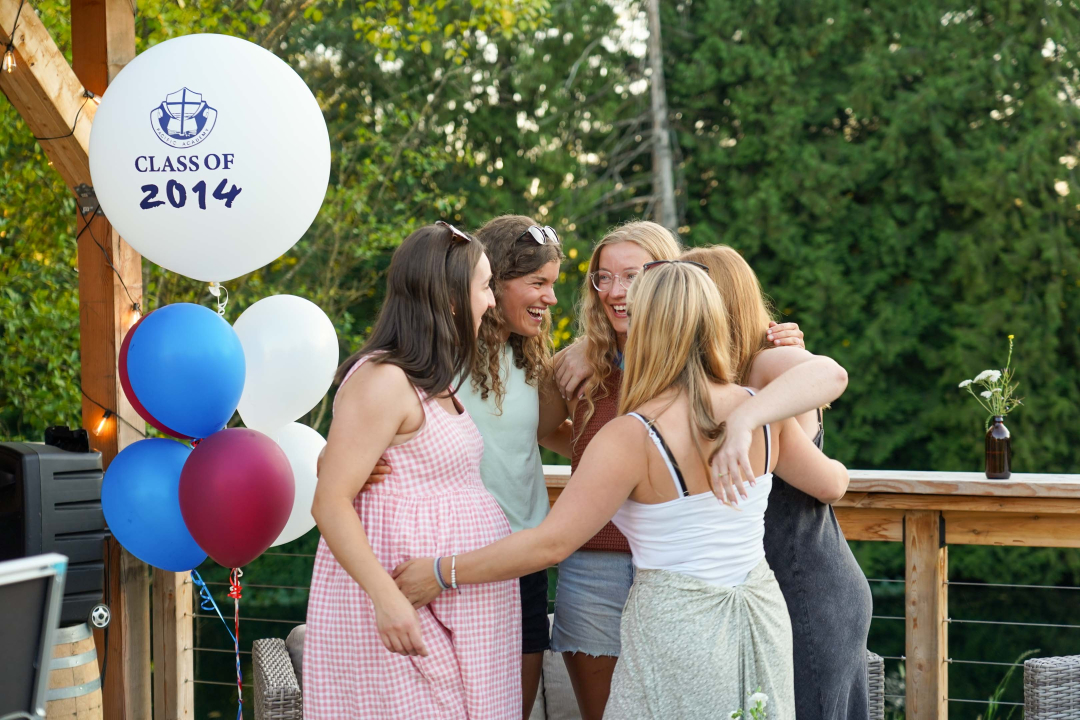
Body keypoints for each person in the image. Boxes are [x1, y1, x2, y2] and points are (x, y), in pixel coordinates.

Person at [392, 261, 850, 719]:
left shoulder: (631, 437)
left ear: (648, 326)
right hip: (761, 614)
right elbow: (835, 481)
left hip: (679, 627)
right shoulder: (762, 414)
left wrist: (441, 572)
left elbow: (550, 543)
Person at [546, 221, 807, 719]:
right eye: (603, 277)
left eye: (632, 275)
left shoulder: (723, 356)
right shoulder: (581, 363)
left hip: (692, 581)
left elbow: (818, 378)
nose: (617, 290)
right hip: (599, 566)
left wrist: (776, 354)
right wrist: (603, 460)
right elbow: (542, 430)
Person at [303, 222, 520, 720]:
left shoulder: (435, 380)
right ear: (447, 298)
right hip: (403, 607)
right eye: (485, 286)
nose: (491, 302)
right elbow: (330, 501)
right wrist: (389, 600)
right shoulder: (383, 379)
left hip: (456, 610)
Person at [684, 245, 874, 720]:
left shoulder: (763, 365)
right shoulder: (704, 380)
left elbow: (830, 373)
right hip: (762, 591)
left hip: (806, 585)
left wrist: (746, 420)